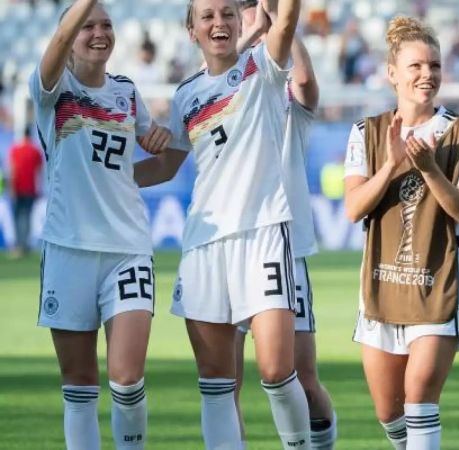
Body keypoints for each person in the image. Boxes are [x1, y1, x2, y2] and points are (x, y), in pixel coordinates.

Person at [133, 0, 311, 448]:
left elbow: (286, 18)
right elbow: (166, 167)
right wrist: (110, 178)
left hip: (265, 234)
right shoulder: (186, 94)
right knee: (216, 384)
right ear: (192, 30)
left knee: (275, 371)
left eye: (227, 14)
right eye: (207, 16)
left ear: (239, 21)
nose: (219, 22)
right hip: (205, 246)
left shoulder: (263, 66)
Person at [343, 16, 459, 449]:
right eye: (416, 66)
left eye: (435, 66)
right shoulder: (366, 133)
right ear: (392, 73)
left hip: (439, 283)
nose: (427, 75)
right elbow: (354, 208)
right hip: (382, 283)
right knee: (388, 412)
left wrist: (429, 169)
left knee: (419, 400)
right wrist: (391, 163)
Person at [30, 1, 171, 448]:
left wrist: (162, 144)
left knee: (127, 380)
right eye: (87, 25)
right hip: (68, 251)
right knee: (79, 388)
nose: (99, 33)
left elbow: (161, 166)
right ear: (70, 37)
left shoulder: (126, 92)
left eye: (106, 25)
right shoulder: (51, 91)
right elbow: (53, 45)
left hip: (127, 250)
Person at [231, 1, 337, 449]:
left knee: (301, 377)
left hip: (284, 251)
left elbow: (307, 81)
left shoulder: (288, 105)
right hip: (228, 249)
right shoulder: (219, 94)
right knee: (225, 384)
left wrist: (280, 28)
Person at [7, 126, 43, 258]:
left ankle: (19, 246)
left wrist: (11, 189)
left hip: (17, 189)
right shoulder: (35, 151)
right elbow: (39, 172)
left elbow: (13, 171)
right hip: (30, 189)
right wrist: (39, 189)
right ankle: (24, 245)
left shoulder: (15, 150)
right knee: (26, 217)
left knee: (17, 218)